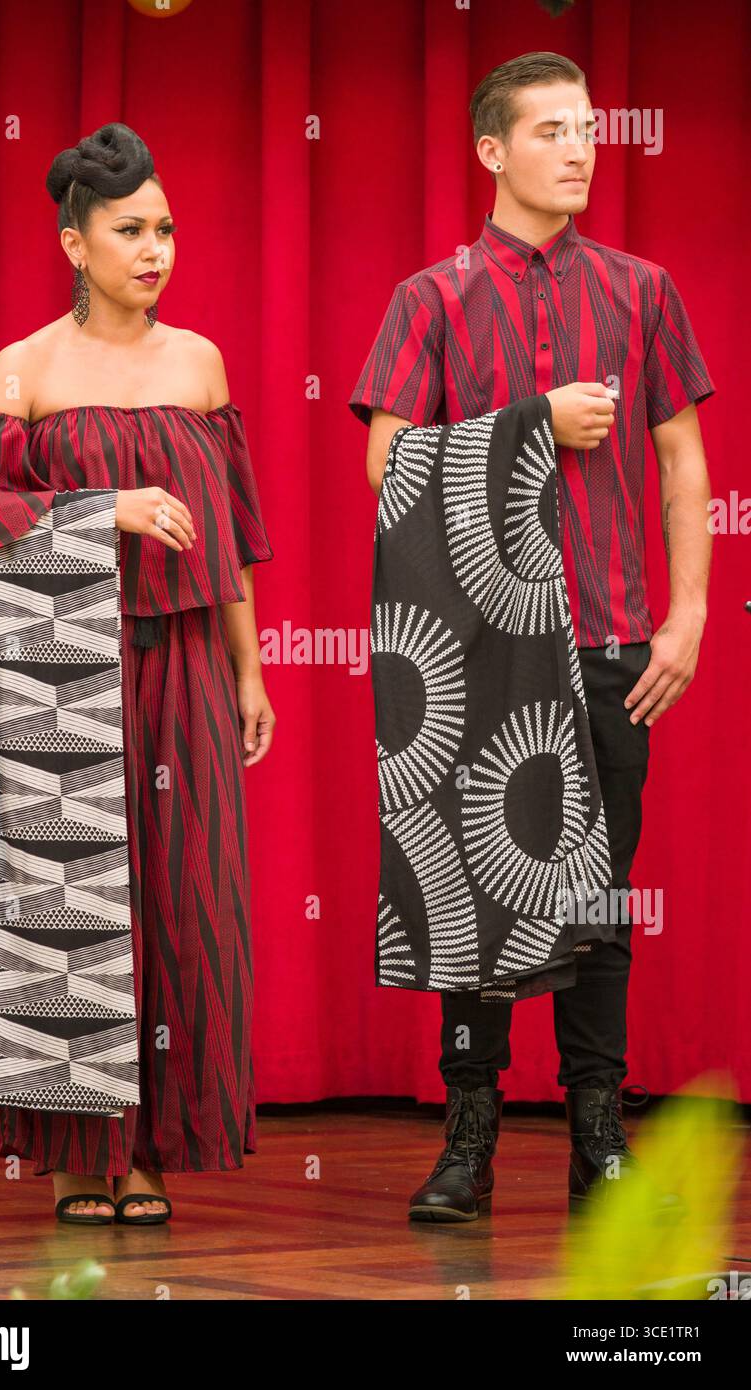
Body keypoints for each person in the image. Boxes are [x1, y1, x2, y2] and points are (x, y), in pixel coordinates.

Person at [349, 53, 715, 1220]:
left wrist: (690, 611)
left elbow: (680, 464)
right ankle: (470, 1138)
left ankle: (600, 1135)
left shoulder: (643, 288)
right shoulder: (434, 297)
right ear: (492, 152)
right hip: (481, 647)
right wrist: (531, 425)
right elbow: (385, 463)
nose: (580, 149)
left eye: (589, 128)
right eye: (551, 130)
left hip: (610, 636)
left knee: (598, 902)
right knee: (477, 903)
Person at [0, 122, 276, 1225]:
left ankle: (152, 1155)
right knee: (71, 906)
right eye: (130, 231)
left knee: (185, 902)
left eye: (166, 228)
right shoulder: (24, 368)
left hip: (184, 664)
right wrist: (103, 510)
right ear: (74, 241)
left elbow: (229, 537)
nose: (156, 248)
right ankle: (79, 1153)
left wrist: (250, 669)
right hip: (57, 675)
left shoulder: (200, 363)